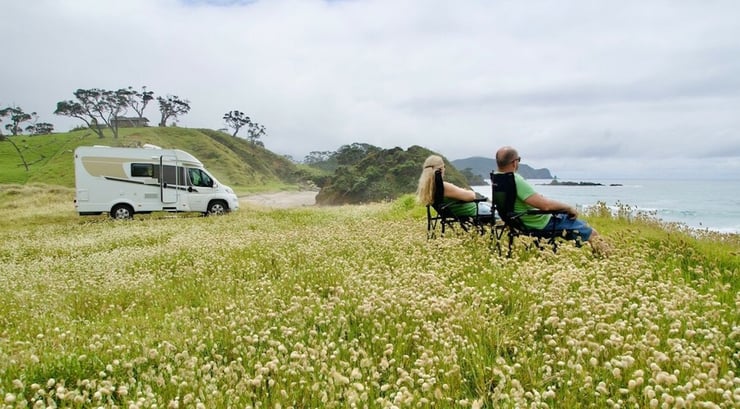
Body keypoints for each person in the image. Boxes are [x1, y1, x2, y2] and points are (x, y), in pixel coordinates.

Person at [494, 146, 611, 255]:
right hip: (540, 222)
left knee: (579, 224)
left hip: (518, 221)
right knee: (592, 233)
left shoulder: (497, 178)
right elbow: (545, 206)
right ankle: (608, 258)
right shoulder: (515, 179)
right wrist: (568, 208)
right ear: (515, 162)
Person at [417, 154, 492, 217]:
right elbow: (472, 196)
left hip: (456, 212)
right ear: (440, 170)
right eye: (444, 167)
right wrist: (465, 191)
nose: (445, 169)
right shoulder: (443, 186)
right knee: (499, 213)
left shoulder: (428, 188)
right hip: (473, 210)